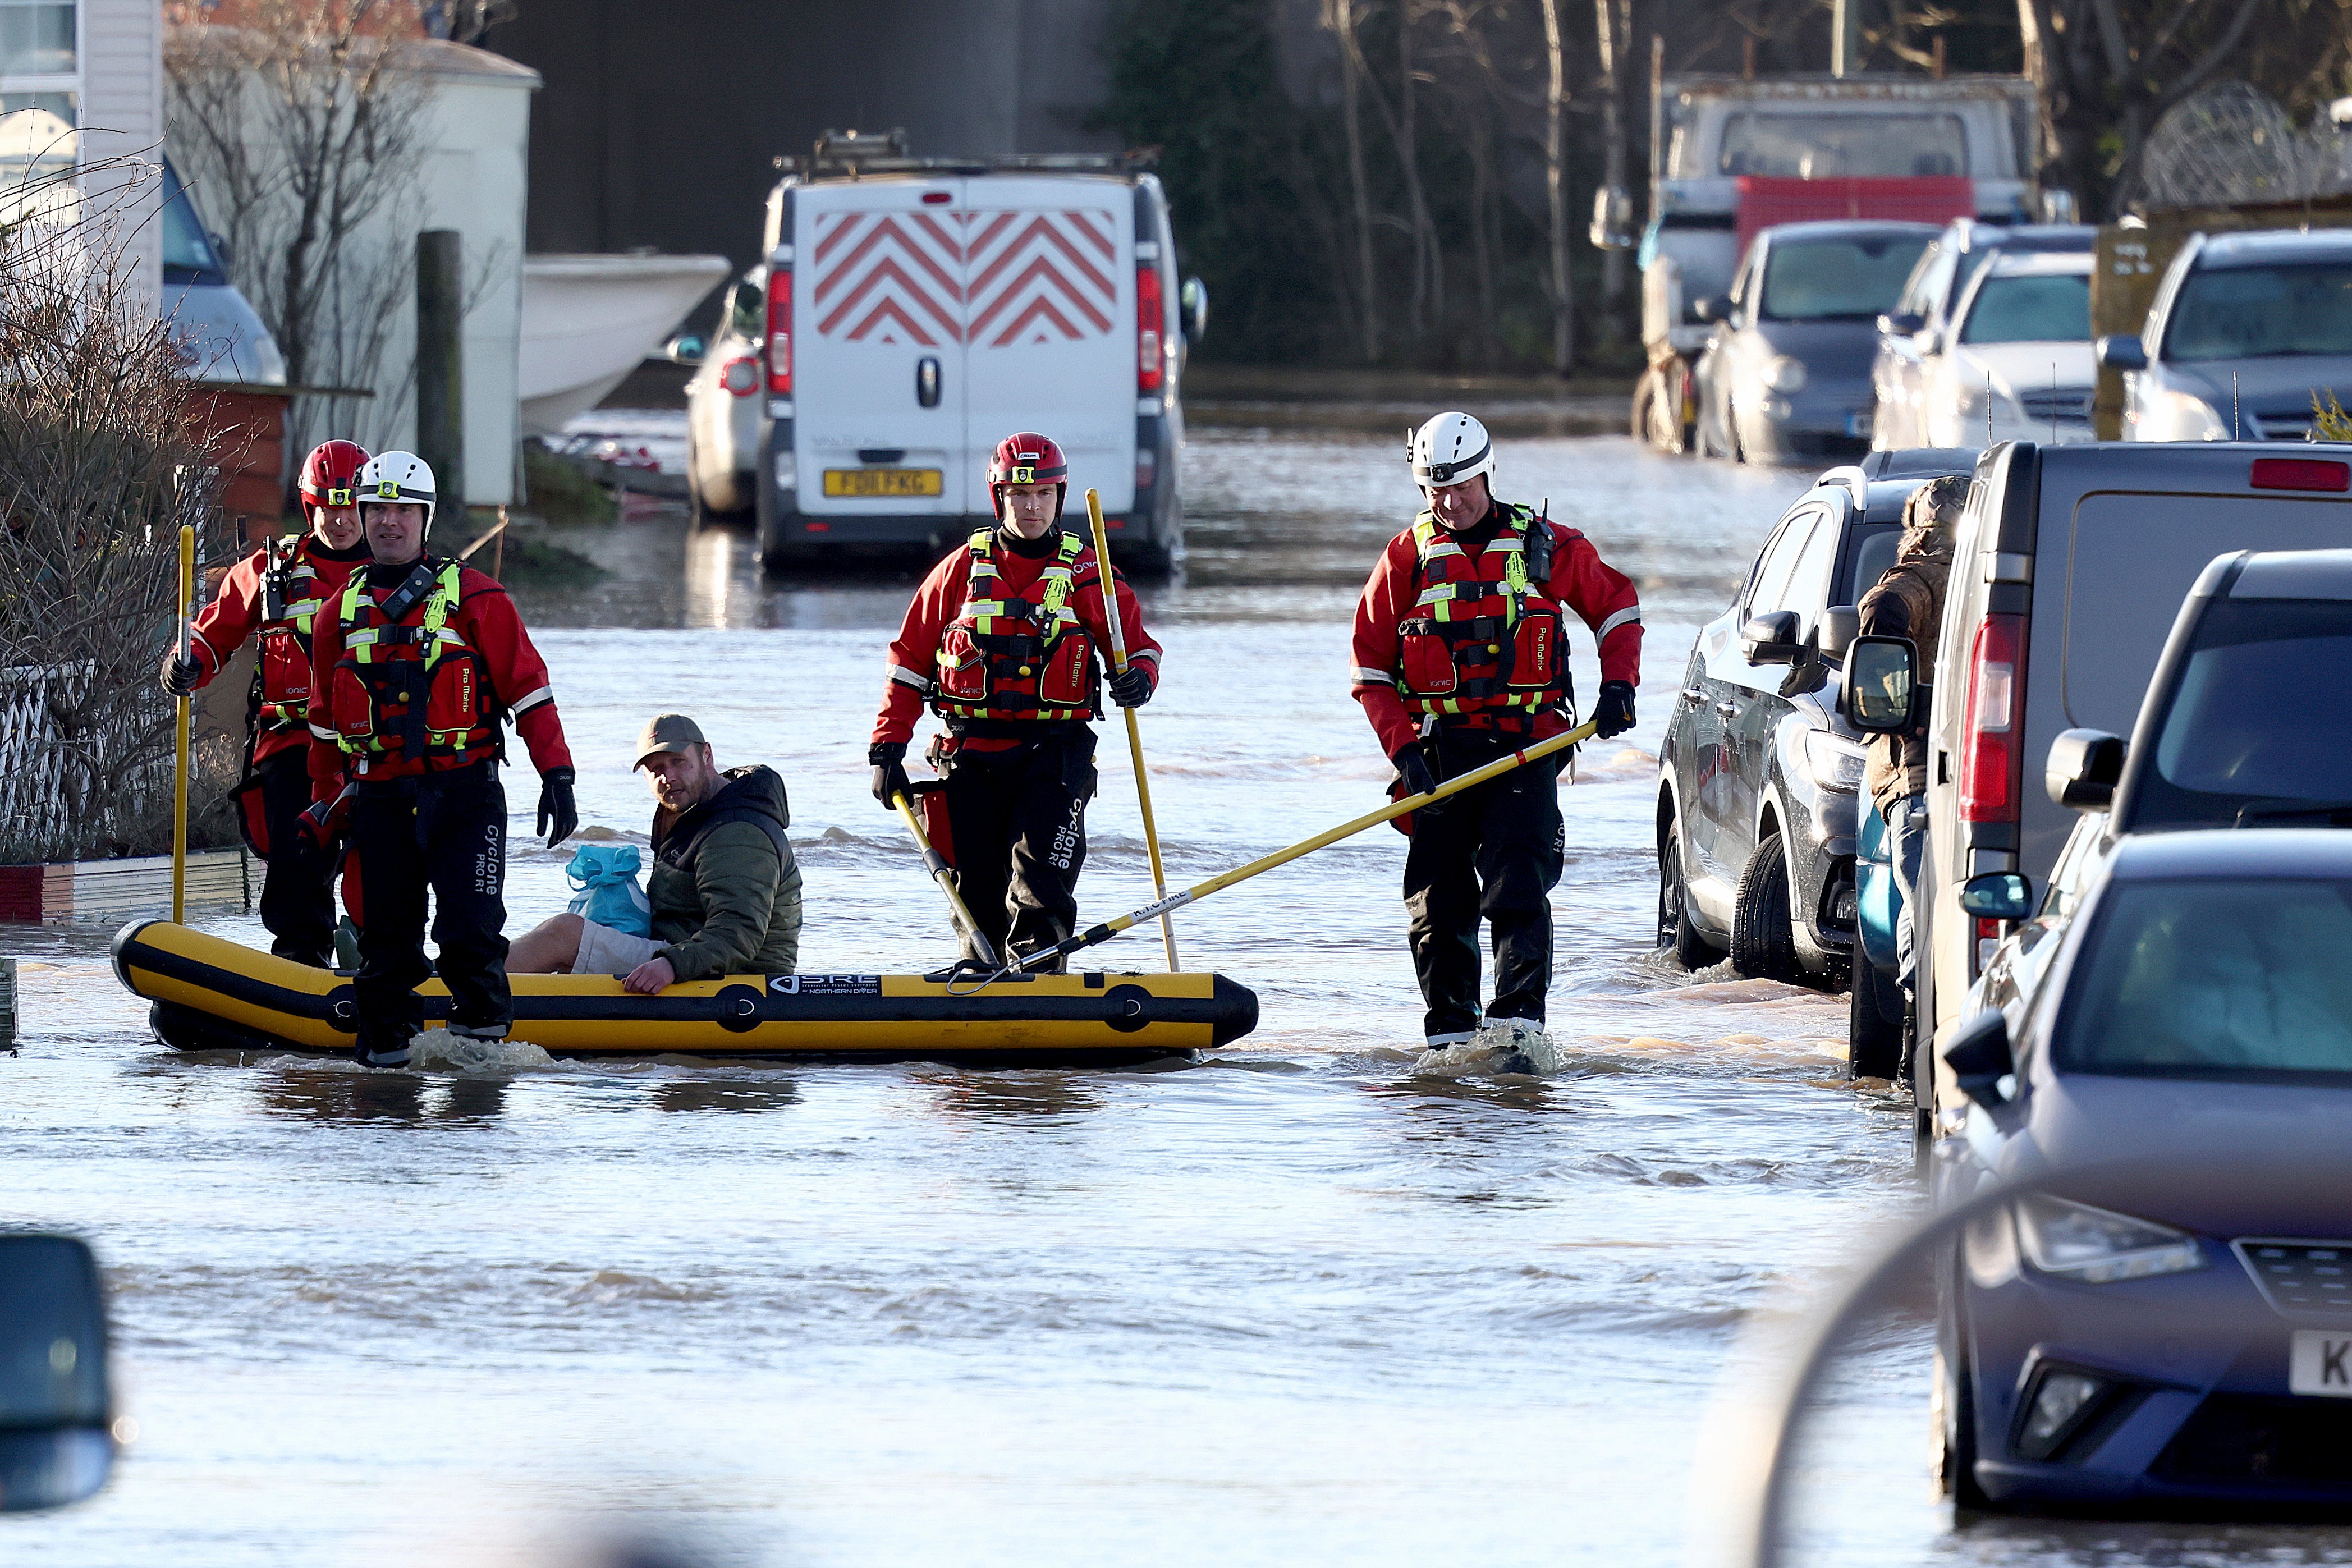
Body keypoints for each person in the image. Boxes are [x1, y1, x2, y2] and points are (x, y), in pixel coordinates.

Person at [1350, 411, 1643, 1050]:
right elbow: (1370, 671)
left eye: (1459, 488)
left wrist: (1619, 685)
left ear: (1487, 473)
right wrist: (1404, 751)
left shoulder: (1546, 545)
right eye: (1435, 491)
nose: (1449, 503)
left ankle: (1517, 1031)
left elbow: (1618, 607)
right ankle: (1451, 1037)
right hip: (1439, 754)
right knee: (1438, 905)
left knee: (1518, 887)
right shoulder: (1406, 558)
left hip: (1526, 749)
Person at [304, 451, 578, 1069]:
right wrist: (325, 805)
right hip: (380, 802)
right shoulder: (335, 617)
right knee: (386, 950)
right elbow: (324, 725)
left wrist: (556, 774)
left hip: (465, 796)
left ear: (425, 518)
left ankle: (477, 1102)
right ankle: (383, 1092)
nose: (389, 522)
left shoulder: (478, 598)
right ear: (363, 515)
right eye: (378, 509)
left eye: (403, 509)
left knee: (470, 938)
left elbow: (529, 689)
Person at [866, 432, 1159, 968]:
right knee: (973, 881)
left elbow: (1138, 649)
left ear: (1059, 497)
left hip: (1055, 753)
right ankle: (978, 974)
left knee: (1040, 877)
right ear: (998, 495)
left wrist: (1137, 677)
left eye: (1043, 495)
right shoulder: (957, 570)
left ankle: (1039, 974)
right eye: (1018, 494)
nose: (1031, 507)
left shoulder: (1088, 571)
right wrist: (887, 750)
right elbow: (908, 663)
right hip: (967, 753)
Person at [159, 441, 374, 965]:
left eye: (351, 506)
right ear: (310, 506)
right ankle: (301, 962)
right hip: (292, 744)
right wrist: (185, 664)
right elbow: (214, 632)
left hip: (375, 749)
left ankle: (377, 955)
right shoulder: (269, 570)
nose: (341, 519)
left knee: (382, 868)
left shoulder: (401, 574)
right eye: (329, 506)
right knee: (297, 866)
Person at [508, 714, 802, 991]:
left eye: (678, 761)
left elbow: (740, 931)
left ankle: (474, 992)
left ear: (707, 756)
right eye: (656, 769)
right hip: (687, 951)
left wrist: (671, 965)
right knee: (592, 917)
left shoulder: (737, 830)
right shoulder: (695, 814)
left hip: (735, 976)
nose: (668, 777)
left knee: (564, 934)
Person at [1856, 474, 1966, 1013]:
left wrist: (1898, 714)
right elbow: (1882, 614)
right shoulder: (1930, 578)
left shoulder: (1921, 574)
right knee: (1930, 898)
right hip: (1928, 771)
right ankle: (1919, 1029)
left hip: (1922, 774)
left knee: (1924, 901)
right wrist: (1910, 715)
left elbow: (1879, 616)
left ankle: (1918, 1027)